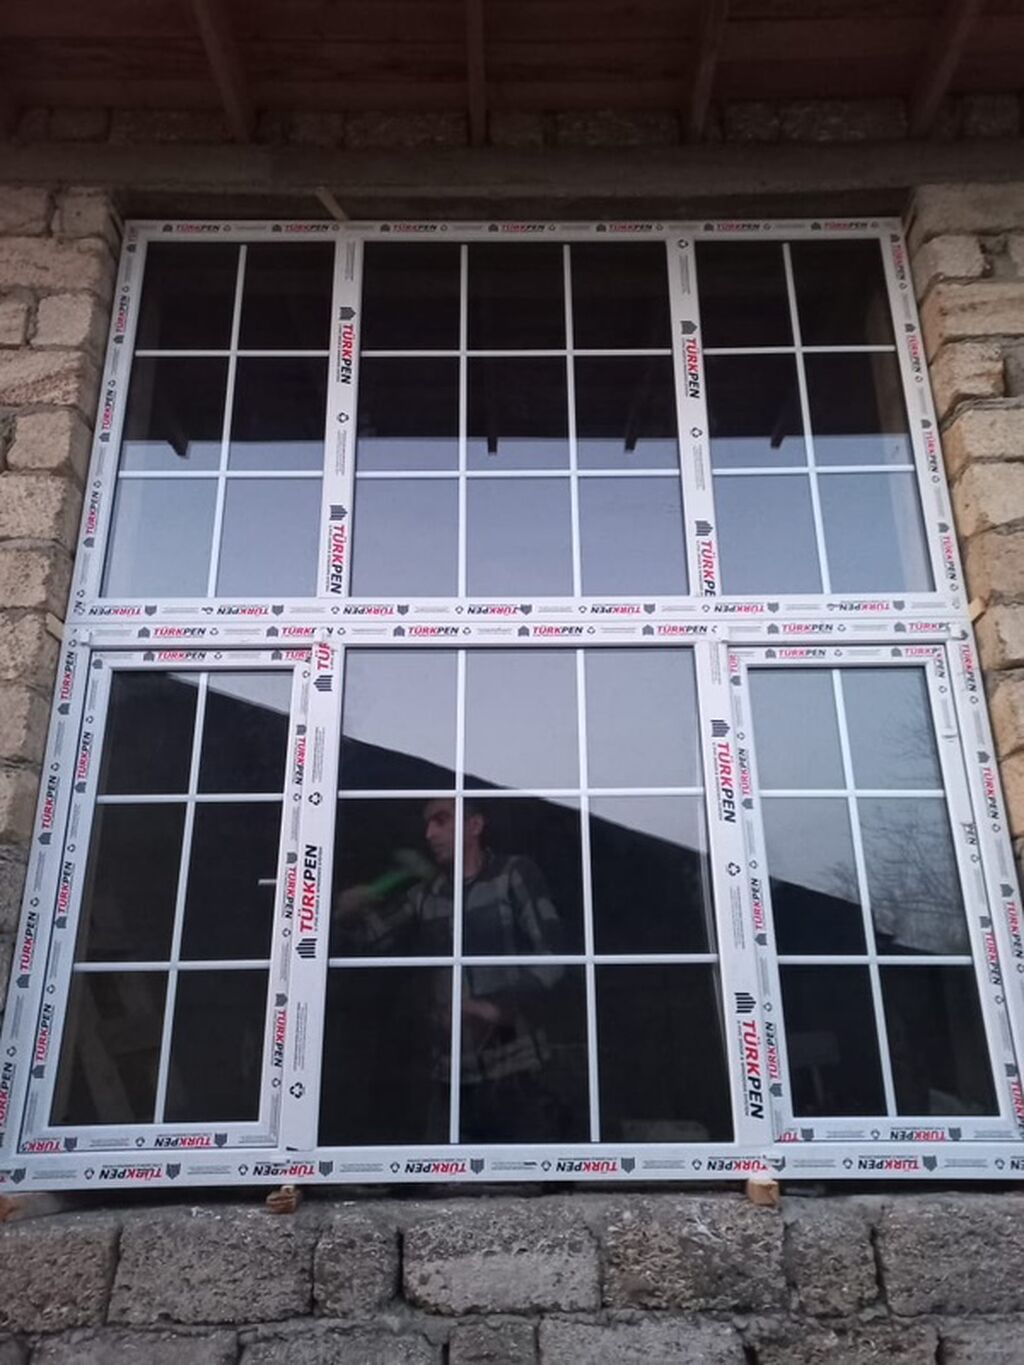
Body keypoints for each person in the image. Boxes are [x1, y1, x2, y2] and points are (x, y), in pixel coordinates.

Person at [333, 798, 568, 1141]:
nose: (429, 834)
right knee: (446, 1168)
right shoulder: (425, 895)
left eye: (441, 821)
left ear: (475, 826)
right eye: (427, 825)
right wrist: (346, 912)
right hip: (451, 1074)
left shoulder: (512, 875)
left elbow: (554, 956)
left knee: (528, 1168)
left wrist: (495, 1006)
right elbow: (369, 941)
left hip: (518, 1068)